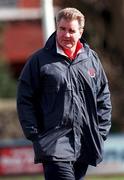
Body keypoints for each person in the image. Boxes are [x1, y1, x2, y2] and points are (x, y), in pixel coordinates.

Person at [17, 7, 112, 180]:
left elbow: (103, 97)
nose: (66, 34)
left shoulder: (91, 59)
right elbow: (24, 98)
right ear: (56, 27)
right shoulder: (39, 61)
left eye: (71, 30)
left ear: (80, 32)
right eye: (62, 29)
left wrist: (100, 131)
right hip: (53, 145)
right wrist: (35, 134)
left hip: (84, 145)